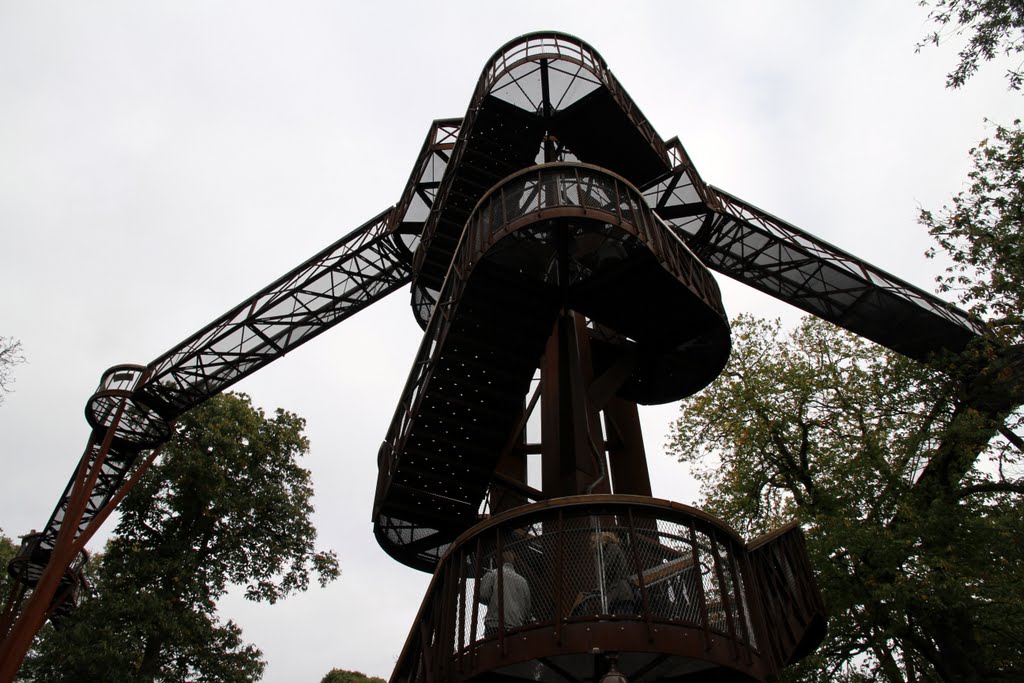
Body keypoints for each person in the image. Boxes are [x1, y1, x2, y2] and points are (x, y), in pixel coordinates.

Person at [478, 551, 531, 638]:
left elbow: (483, 596)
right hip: (516, 627)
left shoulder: (492, 574)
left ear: (498, 560)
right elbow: (527, 608)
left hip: (495, 625)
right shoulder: (523, 581)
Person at [591, 531, 638, 615]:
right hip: (616, 595)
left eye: (594, 542)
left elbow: (608, 568)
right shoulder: (608, 550)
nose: (592, 546)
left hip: (620, 594)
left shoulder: (611, 548)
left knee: (623, 622)